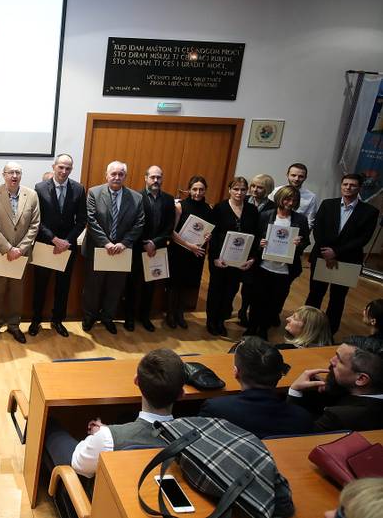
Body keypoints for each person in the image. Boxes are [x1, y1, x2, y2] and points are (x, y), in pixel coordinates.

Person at [43, 349, 185, 491]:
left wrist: (100, 437)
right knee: (124, 417)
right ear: (181, 394)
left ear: (136, 381)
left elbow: (79, 465)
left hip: (105, 498)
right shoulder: (196, 434)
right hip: (154, 489)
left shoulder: (106, 438)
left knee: (47, 423)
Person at [305, 173, 379, 335]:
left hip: (347, 260)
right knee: (315, 294)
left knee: (337, 299)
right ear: (341, 185)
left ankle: (329, 332)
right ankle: (307, 328)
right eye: (345, 184)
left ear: (359, 188)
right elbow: (318, 229)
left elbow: (363, 239)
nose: (348, 187)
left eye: (352, 185)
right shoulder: (327, 204)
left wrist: (336, 252)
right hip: (323, 256)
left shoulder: (370, 211)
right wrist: (326, 250)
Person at [200, 336, 314, 438]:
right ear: (280, 375)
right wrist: (294, 393)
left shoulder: (215, 409)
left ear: (236, 373)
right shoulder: (303, 418)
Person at [81, 161, 145, 335]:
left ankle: (108, 317)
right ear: (106, 175)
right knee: (93, 286)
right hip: (98, 249)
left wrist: (124, 243)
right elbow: (91, 220)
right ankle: (89, 317)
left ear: (125, 176)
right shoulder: (94, 192)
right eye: (113, 174)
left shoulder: (136, 198)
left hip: (122, 251)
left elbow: (139, 224)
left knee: (115, 287)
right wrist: (106, 243)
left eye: (121, 174)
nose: (117, 177)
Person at [30, 154, 86, 338]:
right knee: (40, 286)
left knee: (63, 286)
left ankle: (58, 320)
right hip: (46, 244)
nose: (64, 171)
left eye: (68, 168)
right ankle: (36, 320)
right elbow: (37, 219)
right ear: (54, 166)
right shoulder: (39, 188)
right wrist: (54, 239)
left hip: (67, 247)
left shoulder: (78, 189)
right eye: (61, 167)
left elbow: (81, 221)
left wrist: (67, 241)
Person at [0, 162, 39, 344]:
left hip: (21, 255)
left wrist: (20, 249)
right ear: (4, 174)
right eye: (11, 172)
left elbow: (35, 225)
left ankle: (14, 325)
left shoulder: (31, 195)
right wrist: (8, 248)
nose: (14, 176)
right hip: (0, 253)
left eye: (18, 172)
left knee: (17, 292)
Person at [246, 186, 310, 339]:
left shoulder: (300, 219)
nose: (290, 203)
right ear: (280, 198)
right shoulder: (266, 215)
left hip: (284, 270)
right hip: (263, 266)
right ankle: (251, 327)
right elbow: (254, 238)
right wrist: (259, 244)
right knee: (256, 299)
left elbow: (306, 241)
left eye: (294, 200)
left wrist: (299, 243)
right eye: (287, 199)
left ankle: (263, 329)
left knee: (274, 302)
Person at [287, 335, 383, 431]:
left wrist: (294, 391)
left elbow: (298, 431)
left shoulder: (338, 416)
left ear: (361, 379)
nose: (332, 360)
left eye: (339, 360)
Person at [205, 176, 259, 337]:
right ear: (229, 190)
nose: (239, 192)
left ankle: (221, 321)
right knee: (216, 289)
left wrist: (252, 258)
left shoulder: (252, 210)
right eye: (236, 189)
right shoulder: (219, 208)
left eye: (243, 189)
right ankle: (211, 321)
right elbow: (212, 235)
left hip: (240, 260)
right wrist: (214, 257)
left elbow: (255, 235)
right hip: (220, 258)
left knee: (231, 290)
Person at [123, 165, 175, 333]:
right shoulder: (134, 197)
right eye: (152, 177)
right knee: (132, 284)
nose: (156, 180)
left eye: (159, 177)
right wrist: (145, 242)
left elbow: (169, 227)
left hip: (157, 249)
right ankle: (129, 318)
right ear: (145, 178)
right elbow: (131, 224)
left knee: (150, 285)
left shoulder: (168, 199)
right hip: (137, 248)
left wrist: (155, 242)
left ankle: (144, 317)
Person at [167, 176, 212, 330]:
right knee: (175, 284)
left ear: (205, 190)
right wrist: (189, 245)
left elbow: (207, 232)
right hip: (179, 251)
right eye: (194, 189)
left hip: (196, 254)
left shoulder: (208, 209)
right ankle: (170, 314)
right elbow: (171, 232)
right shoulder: (180, 206)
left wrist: (207, 236)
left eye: (201, 189)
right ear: (189, 190)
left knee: (187, 284)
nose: (198, 193)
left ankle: (180, 313)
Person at [238, 173, 277, 325]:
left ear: (267, 190)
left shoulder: (273, 207)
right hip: (241, 245)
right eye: (252, 186)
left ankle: (245, 310)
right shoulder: (244, 199)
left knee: (251, 283)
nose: (254, 190)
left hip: (259, 250)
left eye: (259, 187)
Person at [270, 163, 318, 228]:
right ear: (287, 175)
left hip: (296, 234)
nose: (296, 179)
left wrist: (301, 235)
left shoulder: (311, 197)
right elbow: (268, 214)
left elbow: (309, 222)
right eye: (293, 175)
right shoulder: (276, 191)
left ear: (305, 178)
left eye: (301, 176)